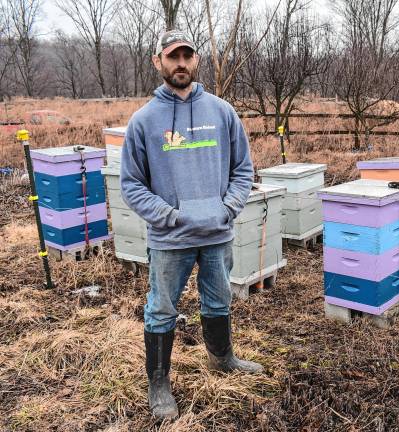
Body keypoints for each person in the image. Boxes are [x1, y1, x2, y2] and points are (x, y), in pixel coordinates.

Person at [120, 29, 259, 420]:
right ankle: (159, 382)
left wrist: (228, 208)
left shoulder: (222, 111)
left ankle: (222, 358)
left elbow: (243, 169)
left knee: (218, 299)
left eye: (187, 55)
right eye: (172, 56)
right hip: (169, 238)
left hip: (216, 233)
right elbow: (131, 183)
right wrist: (168, 216)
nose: (180, 63)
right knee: (161, 309)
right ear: (158, 61)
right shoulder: (144, 121)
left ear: (196, 60)